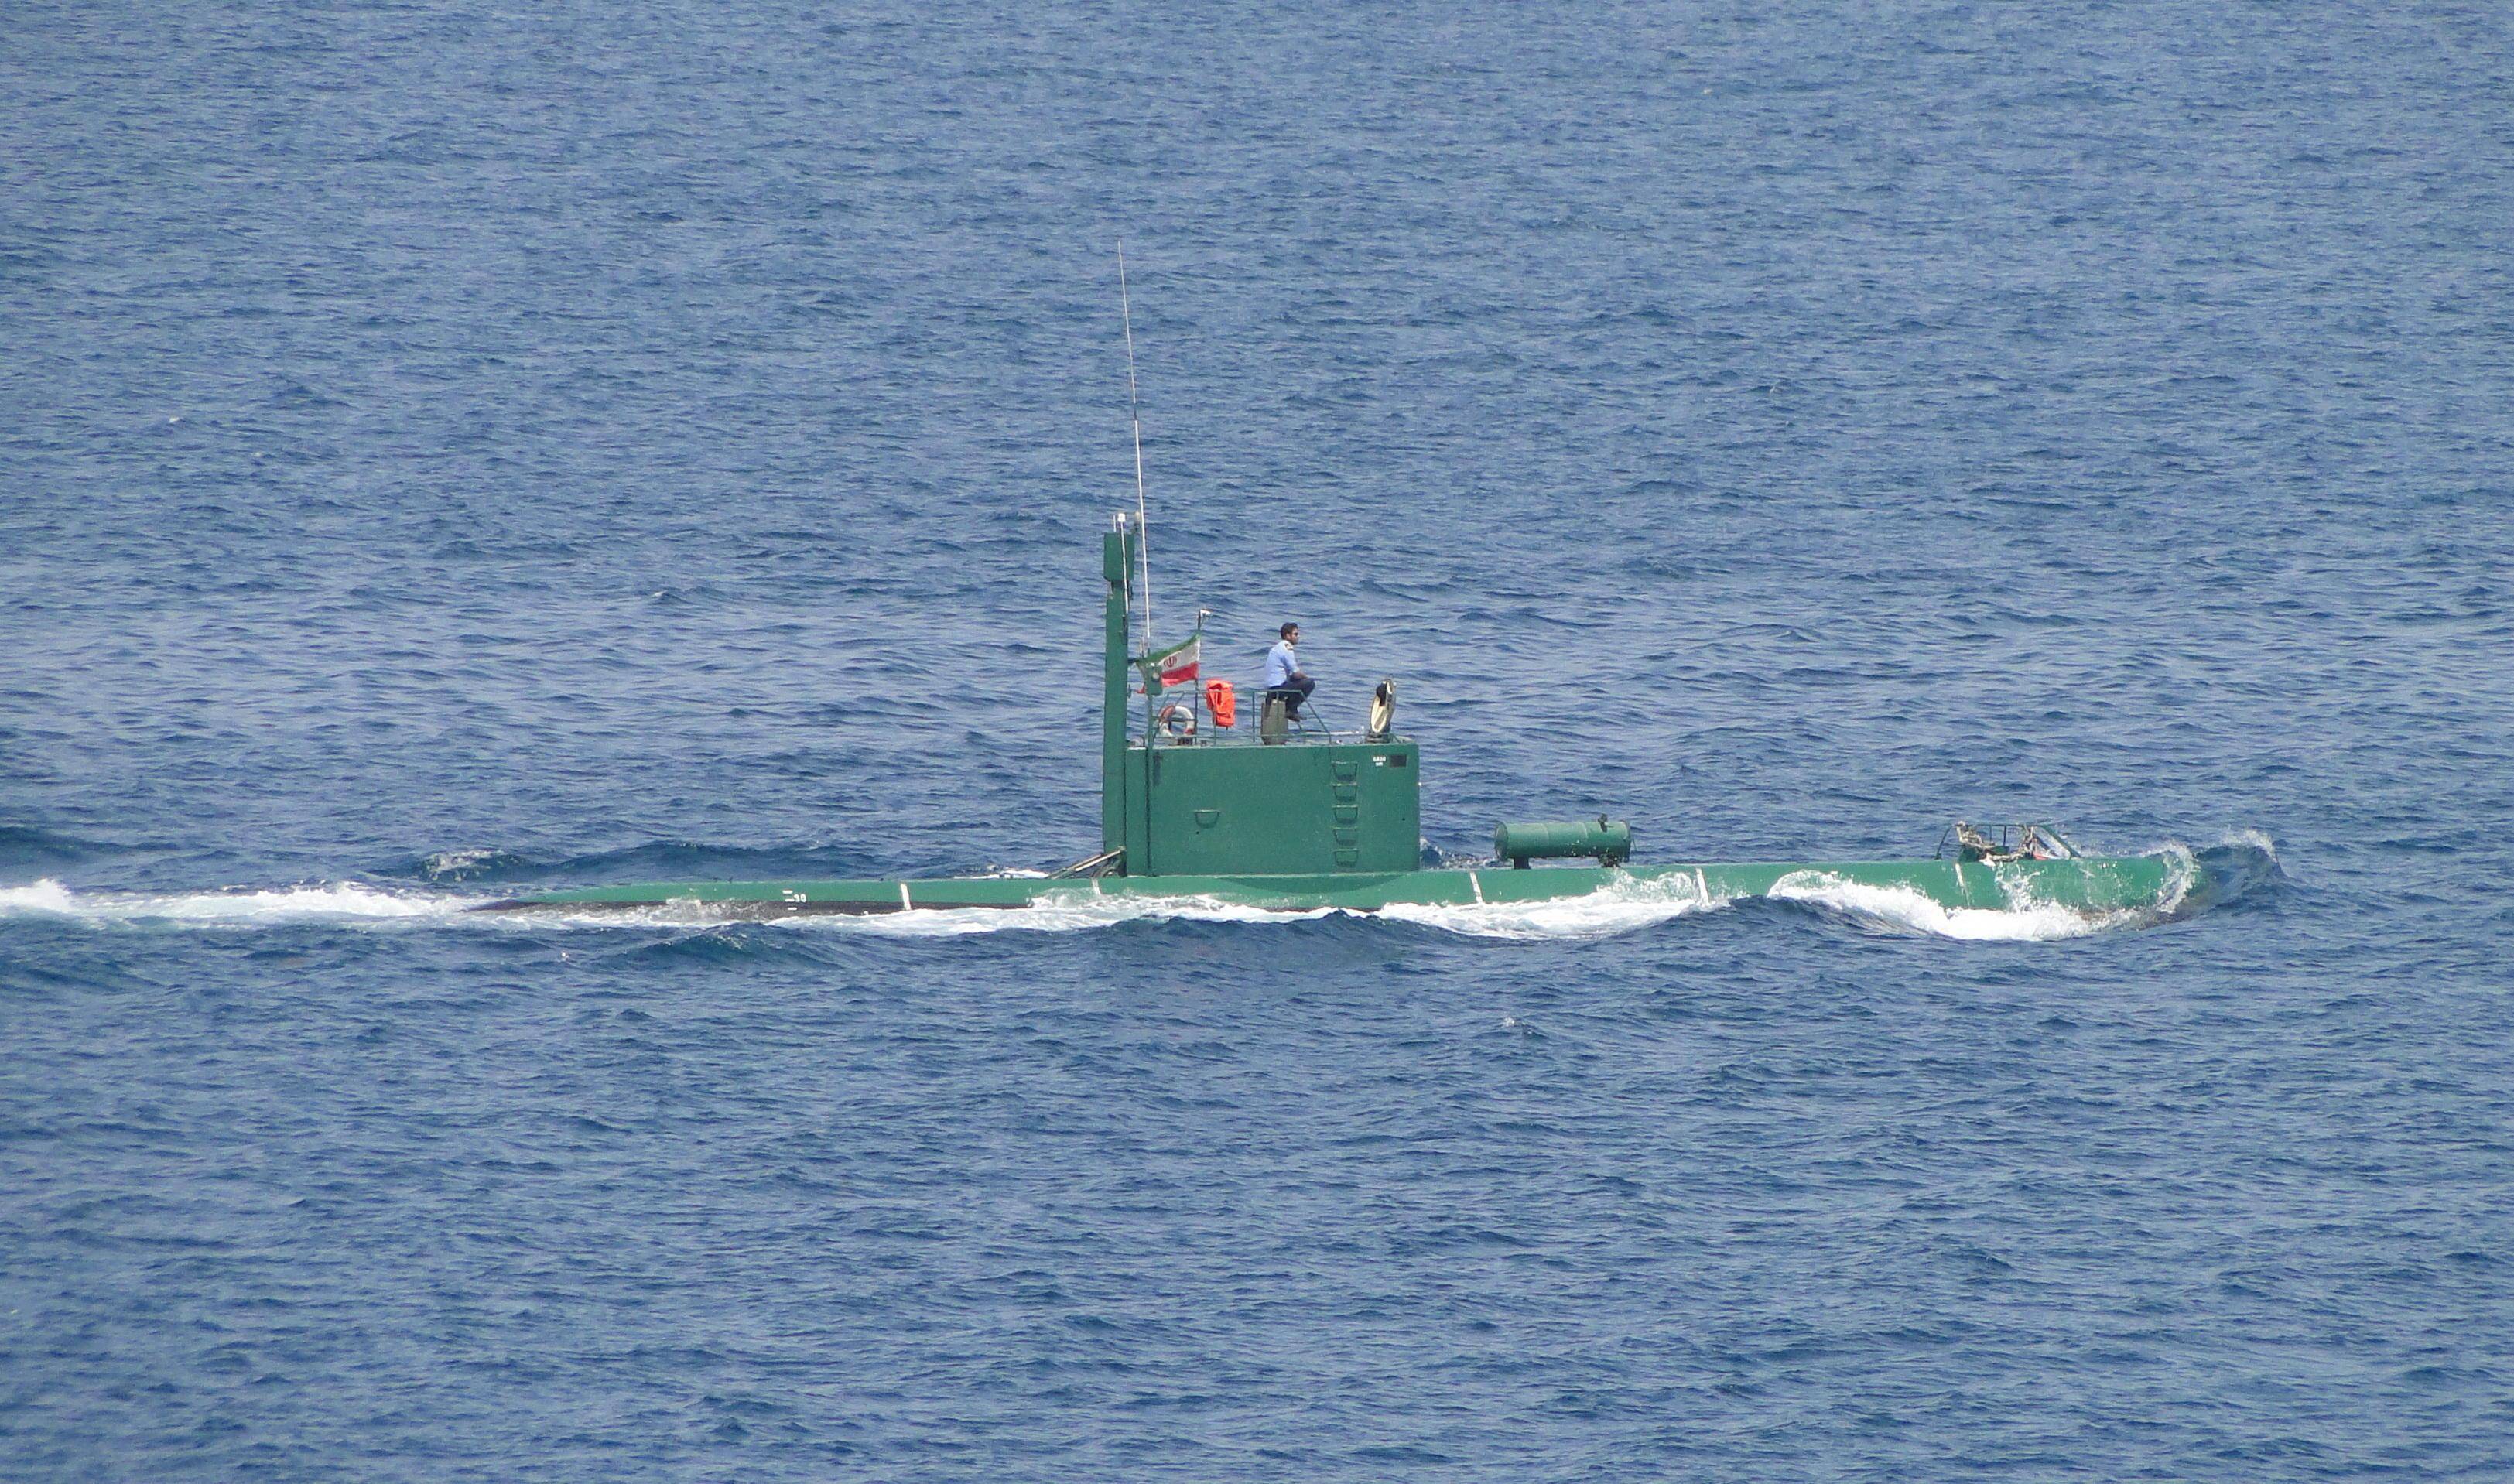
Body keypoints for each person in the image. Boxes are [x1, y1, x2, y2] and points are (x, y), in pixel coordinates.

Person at [1262, 621, 1315, 720]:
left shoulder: (1278, 647)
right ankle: (1291, 709)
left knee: (1298, 682)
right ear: (1287, 636)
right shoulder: (1287, 647)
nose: (1298, 636)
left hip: (1272, 688)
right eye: (1295, 634)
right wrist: (1307, 679)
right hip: (1277, 688)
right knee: (1310, 683)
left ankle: (1290, 708)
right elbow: (1296, 672)